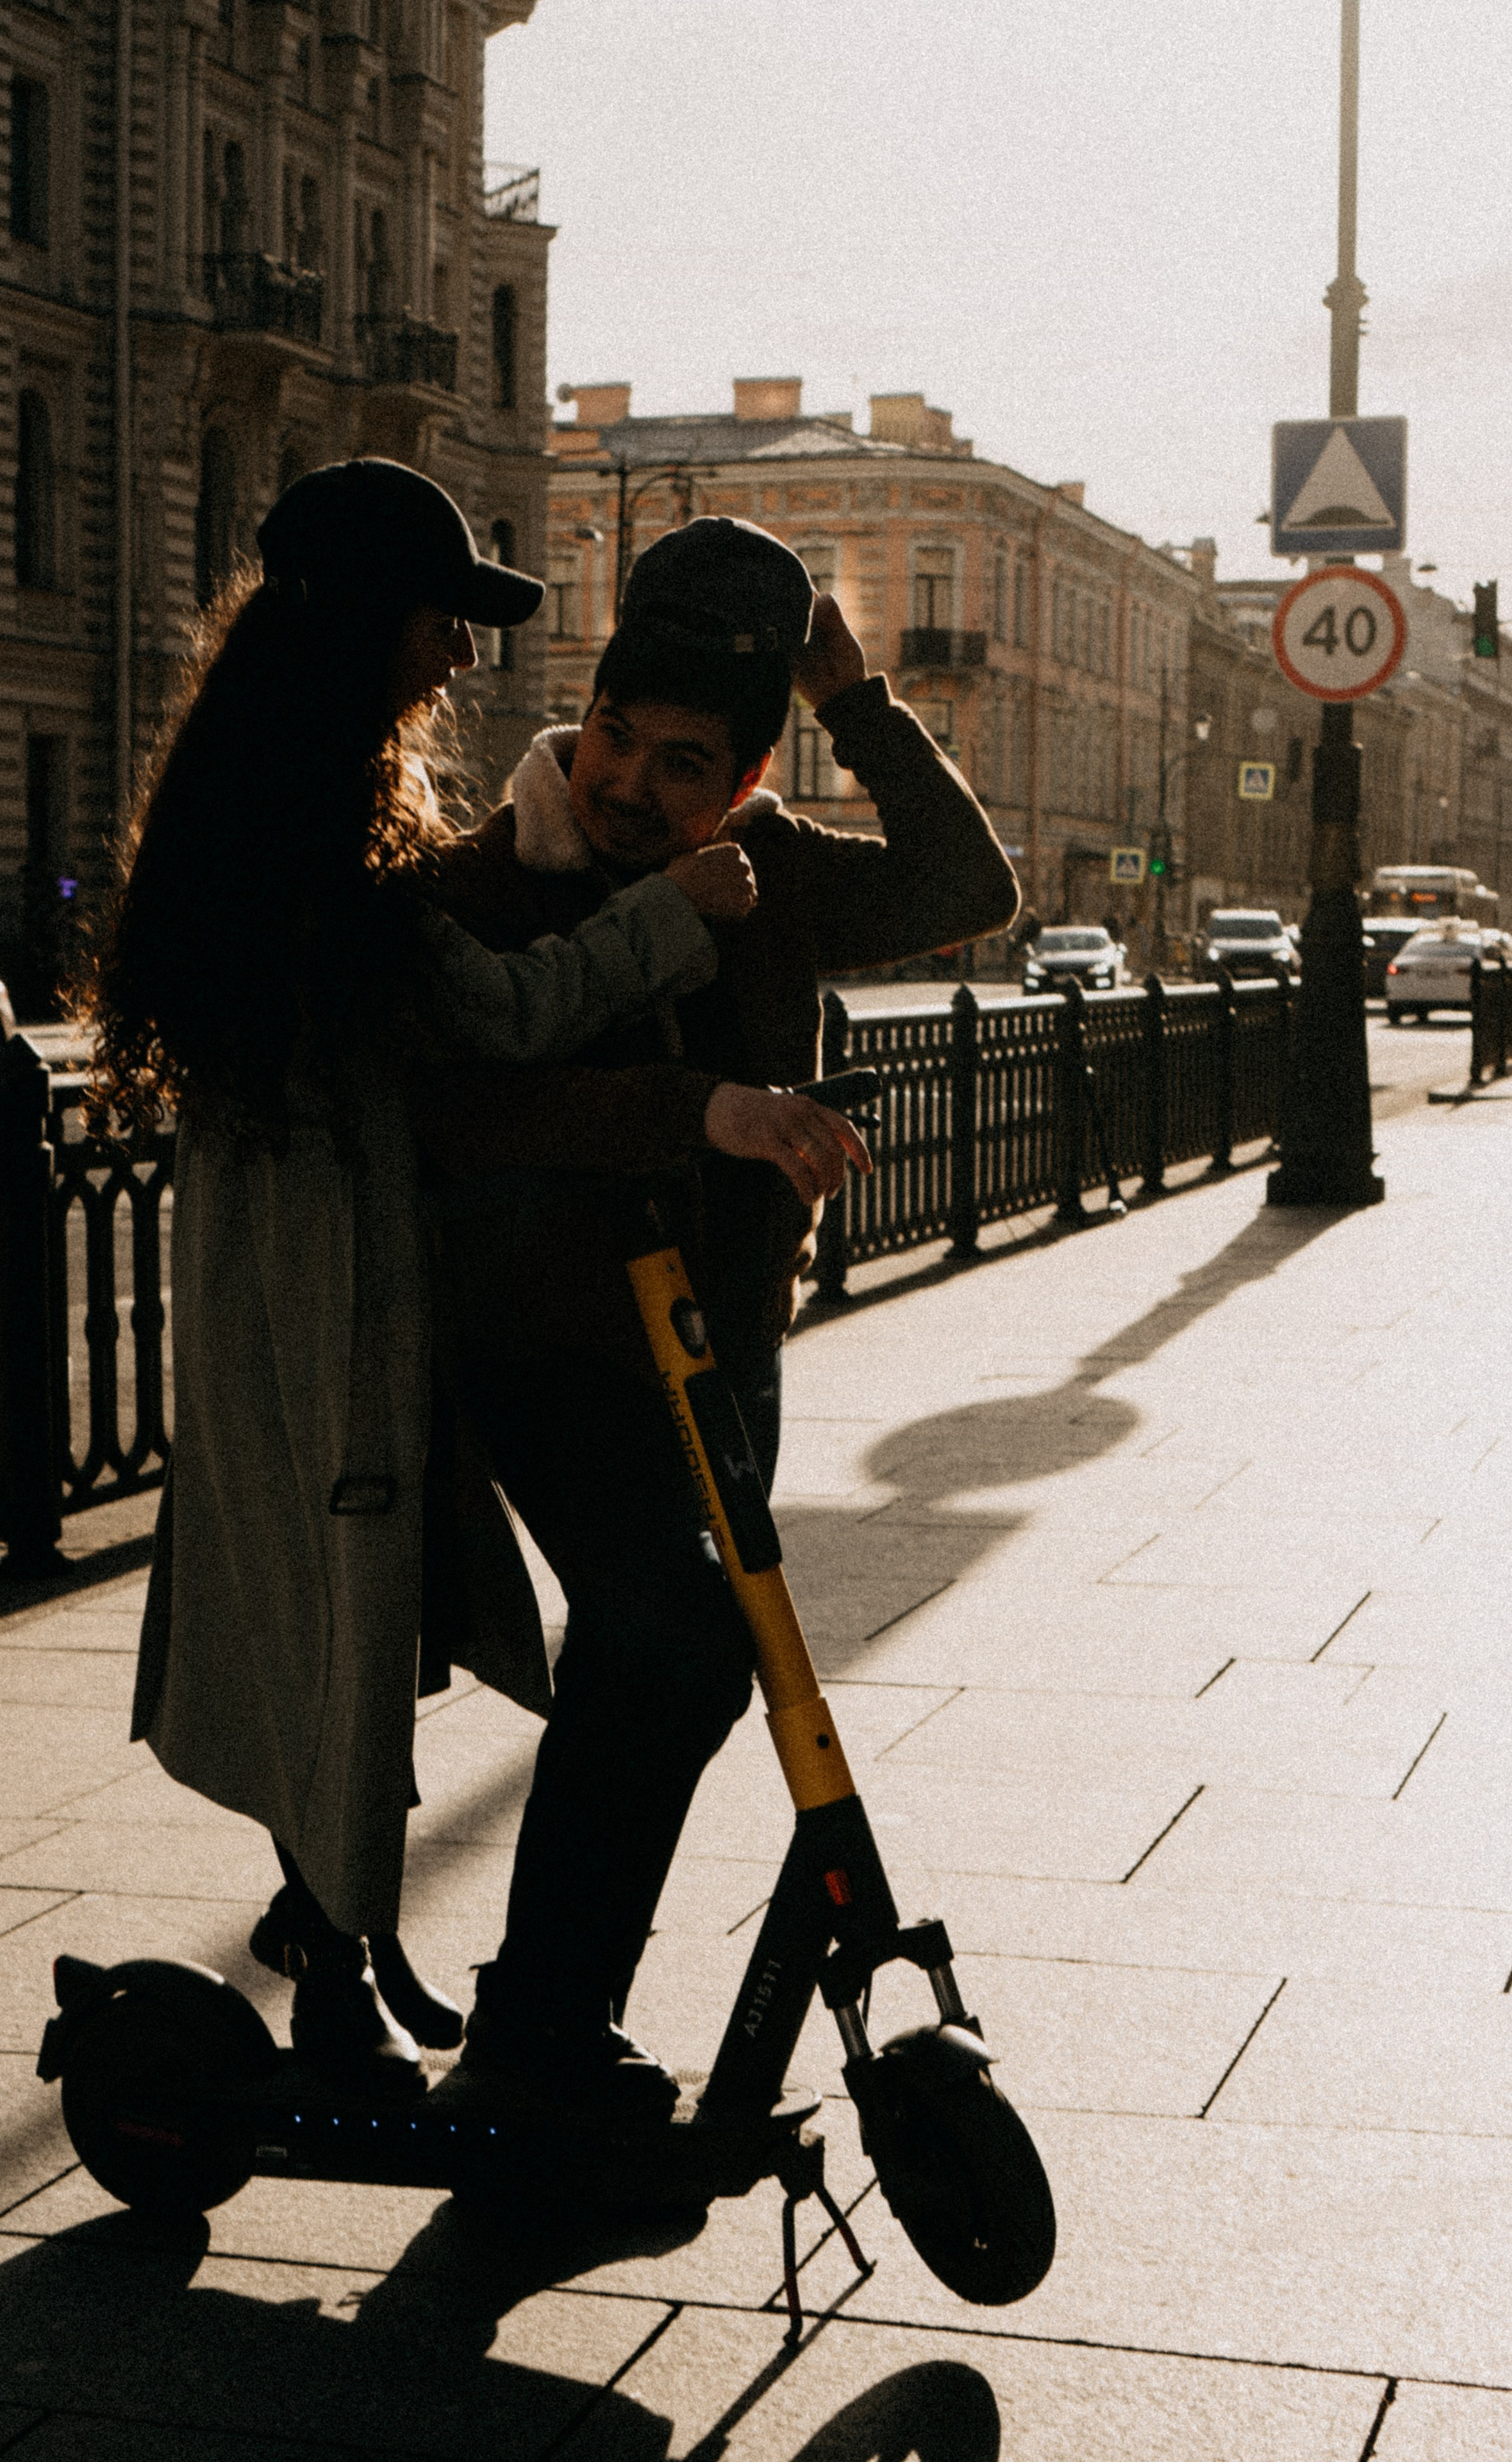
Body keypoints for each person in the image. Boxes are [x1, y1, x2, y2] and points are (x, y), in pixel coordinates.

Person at [82, 461, 822, 2085]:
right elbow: (492, 1022)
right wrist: (678, 921)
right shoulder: (312, 843)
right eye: (442, 622)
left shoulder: (286, 793)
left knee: (351, 1611)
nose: (458, 658)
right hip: (322, 1280)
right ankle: (338, 1990)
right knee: (335, 1607)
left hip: (312, 1265)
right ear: (368, 624)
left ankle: (336, 1945)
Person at [402, 515, 1018, 2113]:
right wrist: (708, 1111)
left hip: (719, 1349)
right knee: (670, 1645)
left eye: (684, 763)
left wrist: (859, 704)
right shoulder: (487, 886)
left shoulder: (779, 873)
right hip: (548, 1350)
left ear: (744, 778)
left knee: (668, 1665)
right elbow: (470, 1110)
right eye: (615, 736)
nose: (627, 784)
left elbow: (968, 885)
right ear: (582, 710)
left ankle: (549, 2022)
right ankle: (535, 2030)